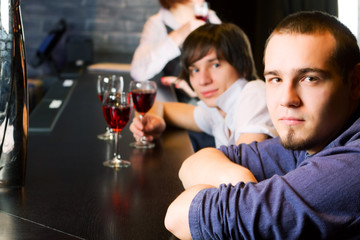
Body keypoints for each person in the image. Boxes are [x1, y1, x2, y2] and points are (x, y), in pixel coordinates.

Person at [164, 11, 360, 239]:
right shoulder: (315, 139)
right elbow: (194, 164)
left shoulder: (351, 163)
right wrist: (248, 193)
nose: (287, 99)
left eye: (309, 78)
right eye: (276, 79)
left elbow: (179, 217)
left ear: (355, 82)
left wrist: (244, 200)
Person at [129, 23, 277, 149]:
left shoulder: (253, 93)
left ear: (243, 67)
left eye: (215, 65)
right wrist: (152, 121)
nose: (202, 80)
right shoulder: (216, 111)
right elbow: (159, 106)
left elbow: (245, 165)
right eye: (195, 70)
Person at [130, 0, 221, 103]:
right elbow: (138, 72)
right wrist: (178, 35)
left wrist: (195, 93)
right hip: (175, 105)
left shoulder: (210, 17)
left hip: (212, 103)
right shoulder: (157, 23)